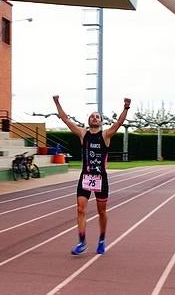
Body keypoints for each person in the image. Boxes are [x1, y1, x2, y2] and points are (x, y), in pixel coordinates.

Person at [53, 95, 131, 255]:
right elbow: (65, 119)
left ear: (101, 121)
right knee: (80, 209)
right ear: (88, 120)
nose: (94, 118)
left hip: (101, 179)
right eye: (92, 116)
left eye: (97, 116)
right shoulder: (83, 134)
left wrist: (126, 107)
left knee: (101, 212)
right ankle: (81, 242)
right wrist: (57, 102)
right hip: (85, 177)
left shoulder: (105, 135)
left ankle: (102, 239)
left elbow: (119, 123)